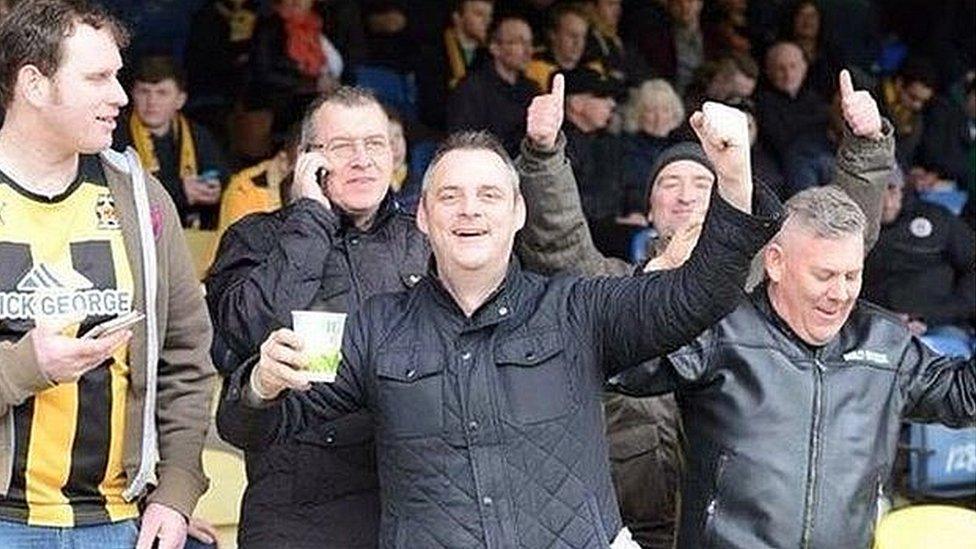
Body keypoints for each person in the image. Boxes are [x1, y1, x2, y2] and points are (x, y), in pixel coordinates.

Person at [217, 72, 782, 547]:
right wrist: (260, 386)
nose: (470, 211)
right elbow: (255, 422)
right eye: (449, 196)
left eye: (489, 195)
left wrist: (734, 180)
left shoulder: (576, 308)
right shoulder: (374, 329)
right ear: (423, 217)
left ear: (517, 213)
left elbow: (698, 296)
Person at [516, 68, 896, 549]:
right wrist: (545, 154)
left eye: (702, 182)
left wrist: (865, 146)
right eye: (669, 183)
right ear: (649, 207)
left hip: (737, 531)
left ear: (723, 202)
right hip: (627, 530)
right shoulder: (609, 287)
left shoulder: (761, 282)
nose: (686, 194)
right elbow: (559, 242)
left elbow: (830, 244)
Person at [0, 1, 216, 548]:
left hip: (119, 523)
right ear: (33, 84)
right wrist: (26, 367)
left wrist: (176, 490)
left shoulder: (140, 196)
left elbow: (186, 356)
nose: (121, 97)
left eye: (117, 76)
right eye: (97, 78)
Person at [206, 86, 429, 548]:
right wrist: (309, 217)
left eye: (375, 144)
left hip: (412, 501)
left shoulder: (426, 240)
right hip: (298, 506)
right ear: (306, 161)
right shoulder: (256, 239)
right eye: (342, 147)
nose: (362, 159)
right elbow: (246, 335)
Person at [863, 164, 975, 354]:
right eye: (878, 190)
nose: (886, 200)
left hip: (940, 326)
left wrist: (932, 317)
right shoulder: (854, 227)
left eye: (891, 188)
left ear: (902, 188)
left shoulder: (937, 218)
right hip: (873, 329)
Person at [113, 56, 229, 230]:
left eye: (162, 93)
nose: (152, 102)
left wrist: (215, 188)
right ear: (131, 95)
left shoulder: (198, 135)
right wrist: (180, 192)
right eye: (144, 91)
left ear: (180, 99)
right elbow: (119, 189)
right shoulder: (115, 135)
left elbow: (223, 177)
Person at [447, 14, 538, 157]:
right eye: (518, 42)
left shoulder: (532, 89)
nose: (528, 51)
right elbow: (462, 142)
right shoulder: (471, 88)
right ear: (495, 47)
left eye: (530, 43)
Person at [756, 41, 833, 195]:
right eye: (780, 68)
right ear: (768, 70)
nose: (788, 74)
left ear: (804, 68)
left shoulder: (815, 99)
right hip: (791, 169)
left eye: (793, 66)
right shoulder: (763, 103)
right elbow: (782, 141)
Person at [416, 0, 494, 130]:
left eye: (489, 16)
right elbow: (429, 106)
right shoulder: (434, 53)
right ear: (457, 18)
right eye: (479, 14)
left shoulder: (489, 57)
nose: (487, 21)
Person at [524, 3, 604, 92]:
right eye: (572, 35)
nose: (578, 43)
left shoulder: (593, 67)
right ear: (552, 35)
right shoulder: (535, 67)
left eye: (583, 37)